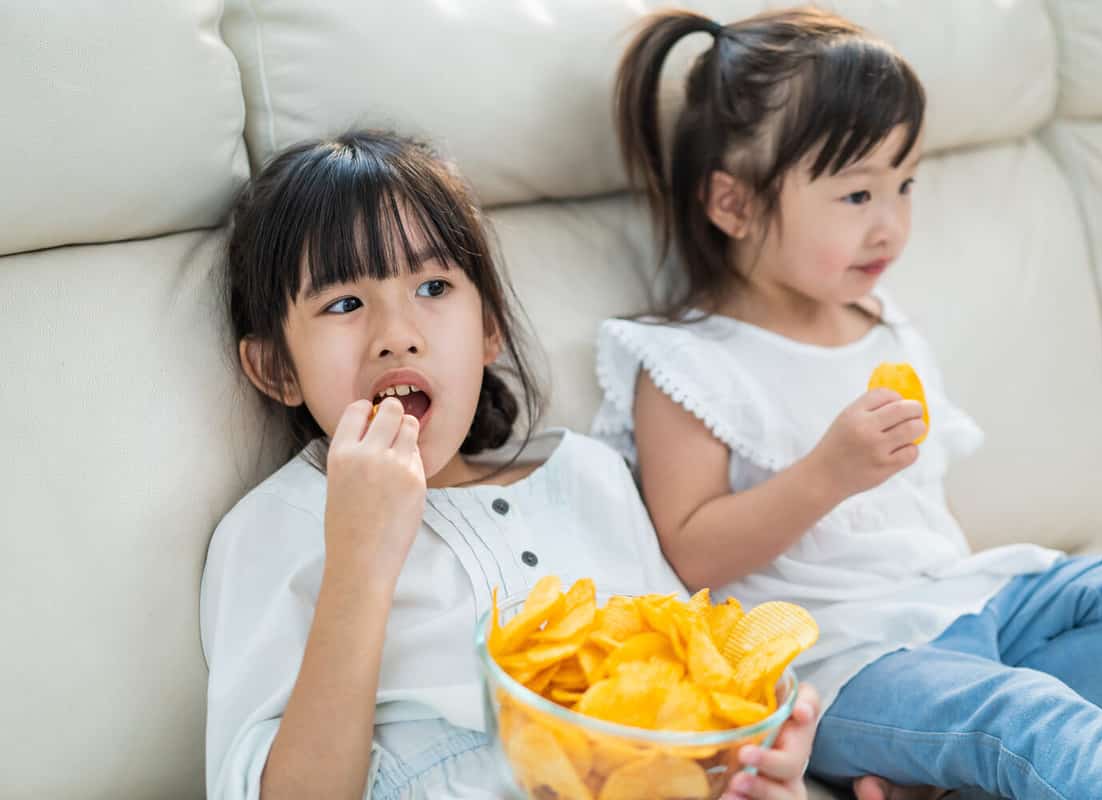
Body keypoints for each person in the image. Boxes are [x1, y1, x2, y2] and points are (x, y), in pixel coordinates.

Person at [595, 8, 1102, 799]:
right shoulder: (684, 365)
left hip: (950, 611)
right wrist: (826, 475)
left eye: (903, 184)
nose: (892, 224)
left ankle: (939, 762)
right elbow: (688, 556)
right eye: (855, 195)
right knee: (1026, 708)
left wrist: (973, 617)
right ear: (733, 205)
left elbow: (917, 519)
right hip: (837, 663)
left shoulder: (883, 328)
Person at [202, 130, 819, 800]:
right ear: (274, 368)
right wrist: (359, 563)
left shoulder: (587, 475)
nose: (398, 334)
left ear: (489, 327)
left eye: (434, 286)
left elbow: (685, 705)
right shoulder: (271, 527)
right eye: (344, 304)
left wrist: (746, 768)